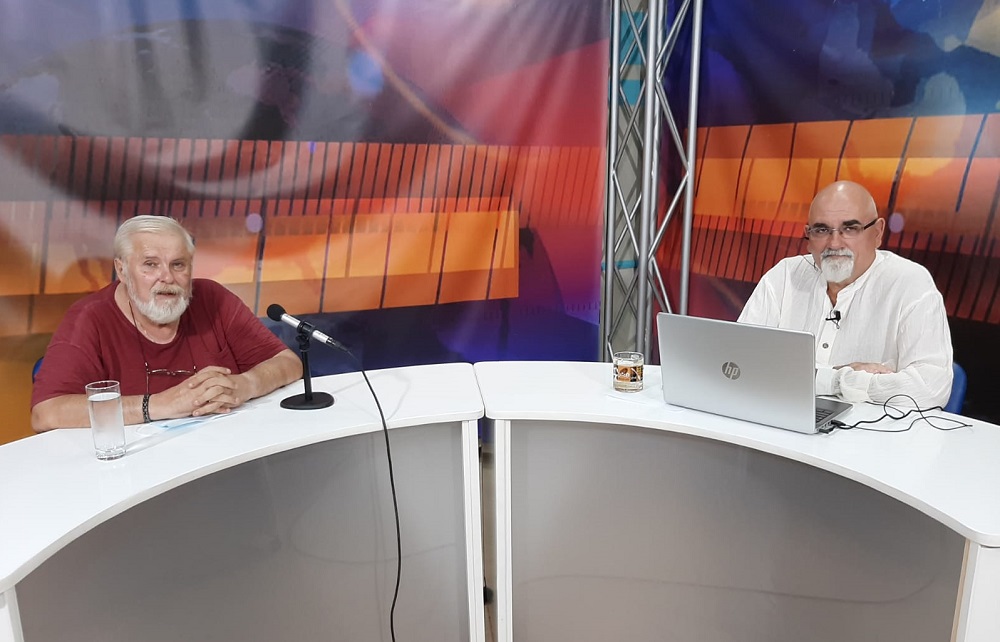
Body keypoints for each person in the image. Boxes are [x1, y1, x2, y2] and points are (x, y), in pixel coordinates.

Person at [31, 215, 302, 432]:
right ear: (122, 270)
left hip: (223, 451)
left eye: (178, 265)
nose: (167, 277)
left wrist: (245, 385)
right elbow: (46, 412)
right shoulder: (89, 318)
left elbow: (288, 363)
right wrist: (158, 406)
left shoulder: (213, 299)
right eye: (150, 265)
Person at [738, 180, 953, 407]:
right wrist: (838, 379)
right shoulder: (784, 276)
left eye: (850, 229)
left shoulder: (910, 283)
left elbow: (931, 388)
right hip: (781, 416)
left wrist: (818, 379)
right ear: (808, 236)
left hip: (869, 428)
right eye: (822, 230)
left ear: (877, 232)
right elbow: (737, 362)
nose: (834, 243)